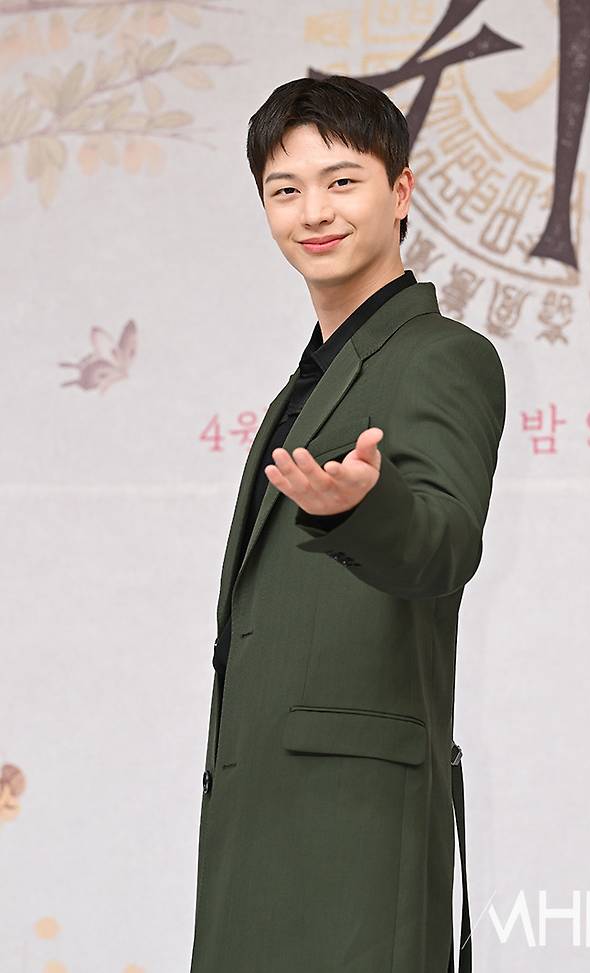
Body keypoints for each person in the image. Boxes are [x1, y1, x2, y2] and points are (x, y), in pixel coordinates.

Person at [189, 75, 506, 973]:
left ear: (400, 191)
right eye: (284, 190)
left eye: (341, 181)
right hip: (258, 822)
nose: (313, 212)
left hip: (355, 829)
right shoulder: (303, 386)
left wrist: (368, 507)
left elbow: (444, 544)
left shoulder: (444, 355)